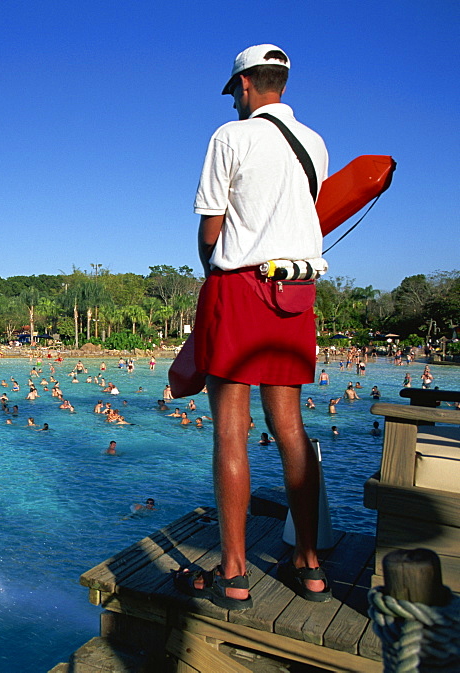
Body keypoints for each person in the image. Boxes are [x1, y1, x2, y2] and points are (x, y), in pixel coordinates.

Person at [176, 45, 331, 610]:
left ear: (243, 85)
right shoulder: (314, 143)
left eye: (234, 91)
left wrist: (211, 274)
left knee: (230, 429)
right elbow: (300, 216)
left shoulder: (229, 137)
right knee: (289, 426)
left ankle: (235, 573)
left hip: (238, 285)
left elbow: (211, 228)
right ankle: (310, 565)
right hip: (296, 292)